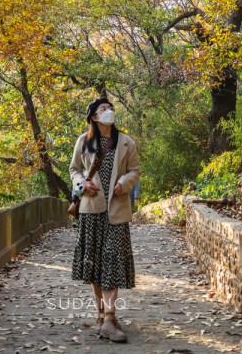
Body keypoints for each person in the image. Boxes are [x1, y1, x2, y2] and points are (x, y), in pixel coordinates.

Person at [69, 97, 139, 343]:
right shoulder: (83, 142)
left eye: (111, 108)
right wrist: (82, 183)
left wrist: (124, 183)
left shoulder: (126, 142)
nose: (109, 111)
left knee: (111, 260)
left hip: (116, 211)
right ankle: (101, 314)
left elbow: (135, 170)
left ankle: (110, 316)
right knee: (96, 265)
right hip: (90, 210)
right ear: (94, 117)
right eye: (103, 109)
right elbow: (74, 169)